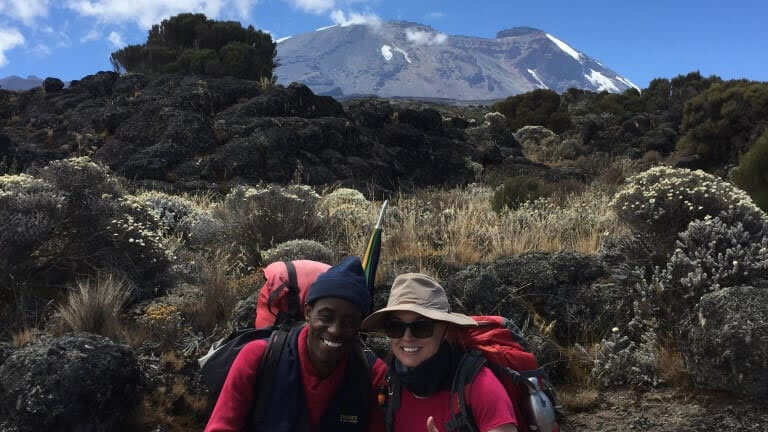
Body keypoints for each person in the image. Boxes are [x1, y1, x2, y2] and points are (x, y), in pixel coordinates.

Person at [205, 256, 387, 432]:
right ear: (308, 312)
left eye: (349, 322)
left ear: (359, 325)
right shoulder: (258, 357)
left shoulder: (372, 375)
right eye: (326, 317)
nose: (335, 330)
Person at [362, 273, 518, 432]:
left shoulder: (480, 387)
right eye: (396, 327)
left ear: (445, 330)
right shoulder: (388, 385)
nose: (407, 337)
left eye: (422, 327)